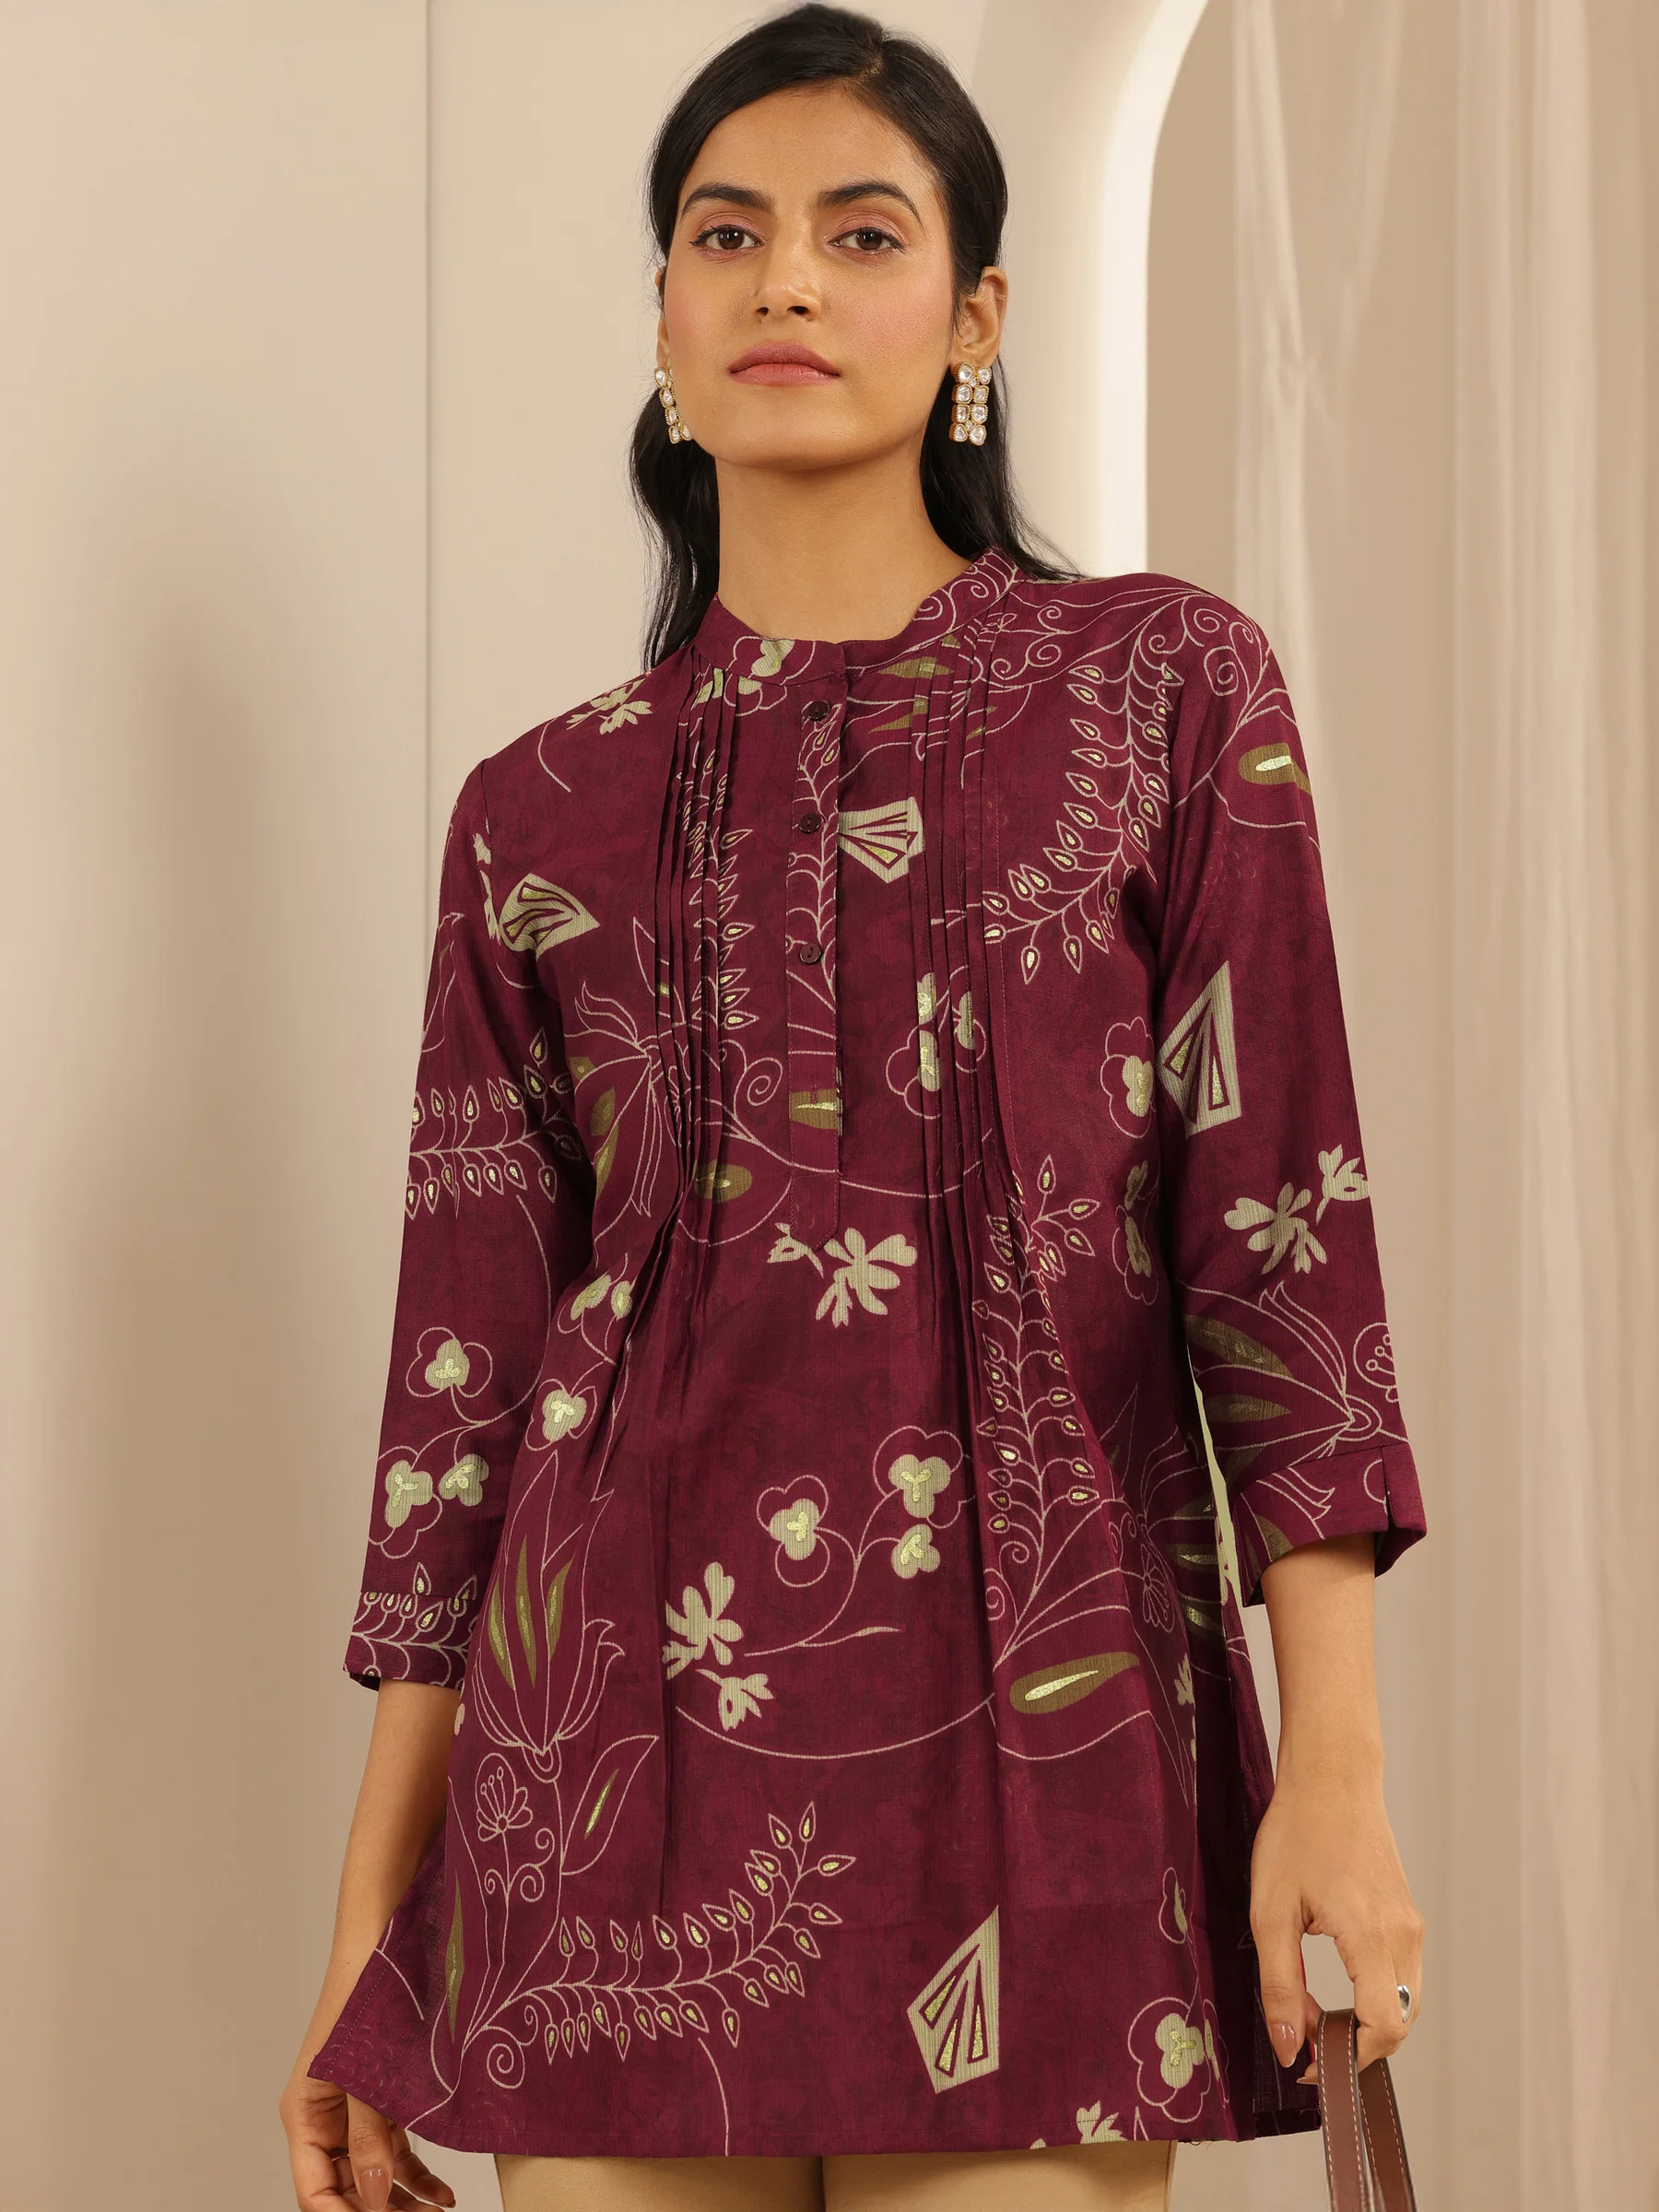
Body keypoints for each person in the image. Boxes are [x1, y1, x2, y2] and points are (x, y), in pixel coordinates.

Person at [278, 8, 1427, 2208]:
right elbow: (461, 1402)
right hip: (597, 1800)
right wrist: (371, 1932)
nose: (786, 279)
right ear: (664, 317)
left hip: (1043, 1757)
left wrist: (1340, 1769)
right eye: (728, 236)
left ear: (976, 318)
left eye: (860, 234)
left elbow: (1281, 1251)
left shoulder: (1168, 692)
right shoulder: (538, 808)